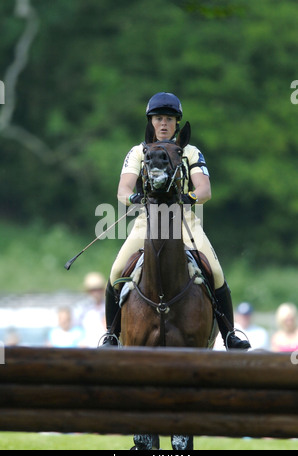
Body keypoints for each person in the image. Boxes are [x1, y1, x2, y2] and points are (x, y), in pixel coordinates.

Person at [102, 92, 250, 350]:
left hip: (184, 221)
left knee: (215, 272)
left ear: (176, 123)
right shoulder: (138, 151)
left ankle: (229, 335)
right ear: (151, 122)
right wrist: (135, 198)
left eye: (168, 119)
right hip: (147, 221)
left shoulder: (190, 151)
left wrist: (186, 197)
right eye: (158, 118)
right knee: (116, 273)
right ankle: (111, 335)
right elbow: (122, 190)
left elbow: (204, 190)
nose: (163, 124)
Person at [73, 272, 107, 347]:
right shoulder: (82, 309)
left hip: (104, 347)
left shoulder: (107, 307)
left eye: (99, 289)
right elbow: (74, 328)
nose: (96, 293)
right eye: (93, 290)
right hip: (87, 347)